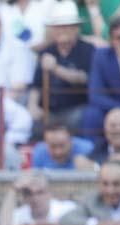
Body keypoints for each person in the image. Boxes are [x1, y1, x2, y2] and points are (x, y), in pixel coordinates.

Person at [28, 2, 95, 137]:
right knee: (34, 126)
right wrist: (33, 106)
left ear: (76, 28)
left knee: (80, 119)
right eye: (58, 27)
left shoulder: (87, 50)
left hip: (76, 108)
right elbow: (36, 85)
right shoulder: (46, 51)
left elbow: (84, 78)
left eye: (66, 27)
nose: (62, 31)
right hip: (48, 111)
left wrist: (56, 68)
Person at [60, 160, 120, 225]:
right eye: (105, 184)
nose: (110, 191)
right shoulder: (91, 201)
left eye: (116, 184)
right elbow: (66, 220)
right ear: (98, 183)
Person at [0, 170, 77, 225]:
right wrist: (14, 189)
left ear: (49, 193)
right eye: (29, 194)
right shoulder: (20, 214)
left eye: (40, 193)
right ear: (24, 198)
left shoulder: (67, 208)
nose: (35, 198)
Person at [31, 121, 95, 169]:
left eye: (61, 145)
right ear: (46, 143)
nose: (58, 152)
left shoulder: (86, 149)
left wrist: (91, 168)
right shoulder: (39, 152)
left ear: (71, 140)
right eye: (53, 146)